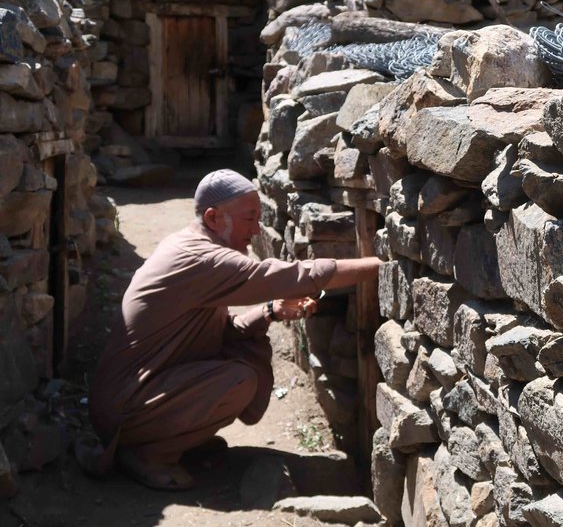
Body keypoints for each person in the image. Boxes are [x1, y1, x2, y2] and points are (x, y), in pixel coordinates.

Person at [86, 169, 380, 490]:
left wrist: (272, 311)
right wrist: (379, 266)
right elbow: (292, 276)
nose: (256, 230)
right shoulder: (201, 258)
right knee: (238, 381)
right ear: (213, 218)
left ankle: (168, 437)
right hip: (124, 407)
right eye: (250, 218)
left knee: (234, 363)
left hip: (130, 398)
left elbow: (220, 333)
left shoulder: (188, 244)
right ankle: (148, 453)